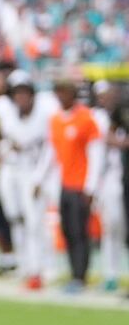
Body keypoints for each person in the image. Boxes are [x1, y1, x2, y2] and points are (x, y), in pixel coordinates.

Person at [0, 70, 56, 290]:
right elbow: (3, 138)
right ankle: (26, 264)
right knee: (16, 218)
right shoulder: (8, 114)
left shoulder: (44, 112)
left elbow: (49, 147)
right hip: (15, 170)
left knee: (35, 221)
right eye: (16, 93)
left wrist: (39, 178)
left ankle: (41, 268)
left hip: (34, 171)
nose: (20, 97)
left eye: (24, 92)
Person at [49, 78, 103, 293]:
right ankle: (73, 273)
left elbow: (95, 154)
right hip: (64, 184)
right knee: (68, 231)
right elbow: (54, 154)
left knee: (81, 232)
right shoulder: (56, 120)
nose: (61, 97)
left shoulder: (85, 118)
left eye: (64, 92)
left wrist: (91, 187)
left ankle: (81, 275)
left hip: (81, 185)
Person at [93, 81, 124, 292]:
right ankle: (111, 273)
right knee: (110, 225)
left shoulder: (122, 114)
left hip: (122, 174)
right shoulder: (96, 118)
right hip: (109, 176)